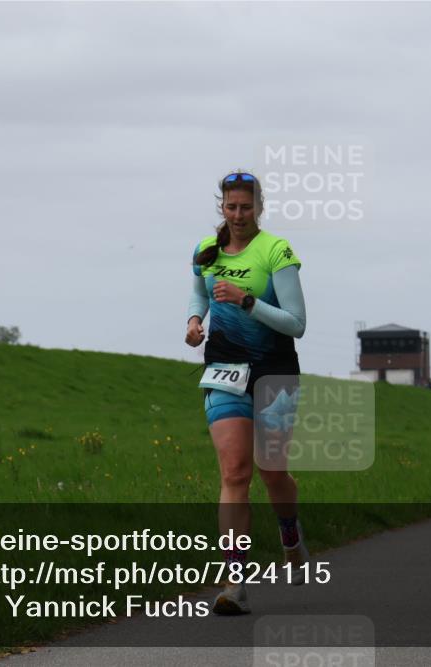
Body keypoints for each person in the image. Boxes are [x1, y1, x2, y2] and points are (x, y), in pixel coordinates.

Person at [186, 171, 308, 615]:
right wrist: (194, 323)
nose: (238, 215)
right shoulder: (206, 251)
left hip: (274, 373)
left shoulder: (277, 251)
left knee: (272, 471)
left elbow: (297, 323)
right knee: (235, 473)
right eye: (231, 206)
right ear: (221, 206)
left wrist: (247, 301)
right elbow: (197, 295)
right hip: (224, 372)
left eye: (246, 207)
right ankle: (235, 582)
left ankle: (290, 533)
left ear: (260, 207)